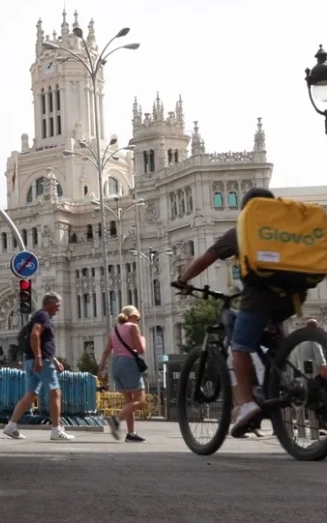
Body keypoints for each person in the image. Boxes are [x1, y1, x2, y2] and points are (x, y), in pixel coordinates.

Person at [173, 187, 298, 438]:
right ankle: (282, 387)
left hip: (259, 296)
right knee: (272, 343)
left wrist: (183, 279)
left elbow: (205, 259)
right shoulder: (285, 228)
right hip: (290, 296)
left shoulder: (243, 230)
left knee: (240, 346)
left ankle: (248, 404)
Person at [3, 292, 74, 441]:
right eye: (57, 305)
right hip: (40, 361)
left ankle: (11, 426)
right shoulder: (43, 315)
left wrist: (53, 360)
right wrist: (40, 358)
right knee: (55, 392)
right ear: (49, 304)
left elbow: (41, 340)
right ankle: (56, 430)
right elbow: (35, 335)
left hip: (32, 360)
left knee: (30, 395)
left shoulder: (40, 315)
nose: (58, 309)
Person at [97, 305, 147, 442]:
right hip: (129, 364)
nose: (138, 321)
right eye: (137, 318)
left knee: (129, 401)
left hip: (116, 365)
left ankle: (131, 433)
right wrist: (143, 339)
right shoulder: (132, 327)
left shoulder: (114, 330)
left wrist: (101, 368)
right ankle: (116, 419)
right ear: (131, 316)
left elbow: (106, 351)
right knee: (140, 400)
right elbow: (141, 350)